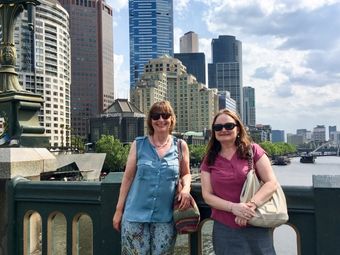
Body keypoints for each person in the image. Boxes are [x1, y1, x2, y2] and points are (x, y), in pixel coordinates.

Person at [113, 100, 192, 255]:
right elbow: (127, 179)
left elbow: (186, 173)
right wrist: (118, 210)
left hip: (165, 218)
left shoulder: (180, 145)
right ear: (150, 120)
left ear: (171, 119)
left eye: (165, 115)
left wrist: (186, 189)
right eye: (156, 116)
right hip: (134, 217)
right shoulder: (138, 144)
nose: (161, 120)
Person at [200, 109, 278, 254]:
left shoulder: (253, 151)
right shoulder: (209, 159)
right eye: (218, 127)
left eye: (229, 126)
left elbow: (271, 183)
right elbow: (207, 195)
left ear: (238, 128)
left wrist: (248, 208)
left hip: (256, 223)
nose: (223, 130)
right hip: (225, 229)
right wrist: (234, 208)